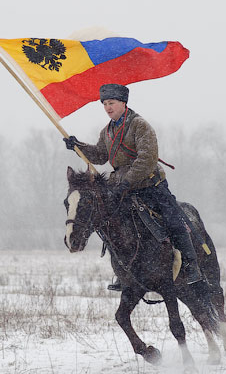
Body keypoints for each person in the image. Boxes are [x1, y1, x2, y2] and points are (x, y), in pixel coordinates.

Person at [63, 83, 204, 290]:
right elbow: (101, 155)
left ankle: (192, 266)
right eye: (105, 104)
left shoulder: (140, 125)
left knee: (173, 220)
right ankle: (124, 273)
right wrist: (78, 147)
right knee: (112, 225)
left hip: (149, 185)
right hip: (122, 188)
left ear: (123, 103)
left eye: (111, 103)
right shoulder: (107, 131)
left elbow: (147, 159)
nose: (108, 108)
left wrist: (127, 182)